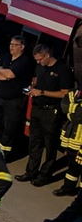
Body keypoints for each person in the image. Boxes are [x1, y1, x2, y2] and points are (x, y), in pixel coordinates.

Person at [16, 44, 73, 187]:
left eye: (40, 59)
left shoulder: (62, 70)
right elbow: (36, 81)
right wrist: (32, 88)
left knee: (50, 145)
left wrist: (42, 93)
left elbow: (65, 93)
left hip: (51, 112)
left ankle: (44, 174)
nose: (38, 62)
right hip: (37, 109)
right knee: (34, 142)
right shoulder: (40, 67)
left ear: (47, 55)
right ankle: (31, 171)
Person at [0, 36, 33, 161]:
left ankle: (4, 155)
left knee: (9, 128)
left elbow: (11, 74)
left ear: (22, 47)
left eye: (14, 45)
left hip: (14, 101)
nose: (11, 47)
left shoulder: (25, 61)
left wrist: (2, 71)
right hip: (0, 97)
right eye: (11, 44)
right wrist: (3, 76)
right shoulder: (6, 56)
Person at [54, 85, 82, 197]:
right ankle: (68, 187)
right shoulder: (75, 92)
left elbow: (79, 116)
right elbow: (64, 106)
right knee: (72, 165)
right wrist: (76, 110)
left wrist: (73, 109)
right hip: (72, 137)